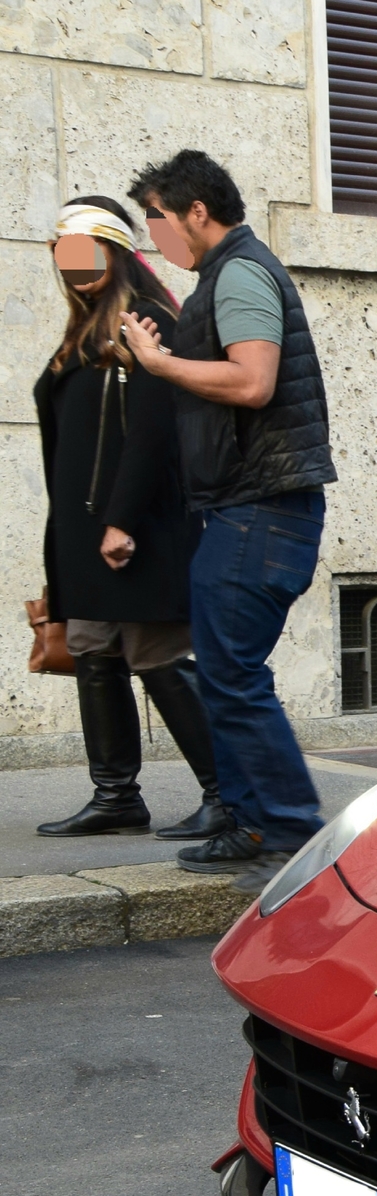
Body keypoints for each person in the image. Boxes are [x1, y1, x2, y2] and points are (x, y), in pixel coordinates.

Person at [120, 149, 336, 891]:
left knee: (233, 675)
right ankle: (250, 823)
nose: (156, 239)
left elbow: (252, 381)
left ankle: (290, 831)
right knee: (224, 672)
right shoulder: (224, 276)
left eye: (158, 220)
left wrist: (160, 365)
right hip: (249, 506)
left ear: (196, 212)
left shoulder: (240, 273)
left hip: (262, 507)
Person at [31, 198, 229, 840]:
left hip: (139, 524)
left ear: (116, 253)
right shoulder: (84, 332)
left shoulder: (147, 321)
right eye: (65, 256)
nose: (75, 268)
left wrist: (123, 521)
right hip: (85, 531)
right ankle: (115, 797)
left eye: (86, 253)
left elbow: (153, 433)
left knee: (158, 655)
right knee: (93, 653)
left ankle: (228, 795)